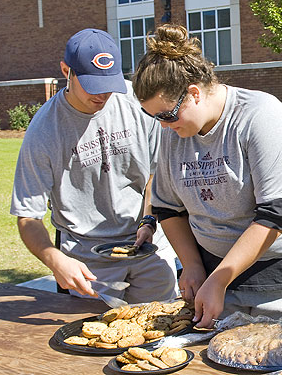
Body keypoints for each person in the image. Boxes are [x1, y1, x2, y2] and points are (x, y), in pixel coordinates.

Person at [130, 24, 282, 330]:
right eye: (153, 117)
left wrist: (221, 278)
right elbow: (169, 209)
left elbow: (277, 213)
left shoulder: (260, 118)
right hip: (216, 273)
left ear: (194, 94)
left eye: (167, 115)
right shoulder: (174, 134)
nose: (162, 125)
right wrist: (194, 266)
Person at [10, 28, 179, 304]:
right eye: (92, 86)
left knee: (161, 332)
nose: (102, 95)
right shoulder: (44, 130)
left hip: (149, 245)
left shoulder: (136, 103)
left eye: (108, 85)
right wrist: (56, 260)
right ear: (67, 70)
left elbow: (155, 174)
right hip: (88, 259)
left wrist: (149, 219)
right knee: (99, 339)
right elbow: (28, 216)